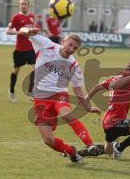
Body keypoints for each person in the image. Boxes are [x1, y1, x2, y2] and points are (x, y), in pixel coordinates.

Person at [19, 27, 101, 163]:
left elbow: (78, 89)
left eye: (75, 48)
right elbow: (22, 30)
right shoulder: (46, 45)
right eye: (70, 45)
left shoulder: (73, 65)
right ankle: (71, 152)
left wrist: (87, 107)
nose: (71, 49)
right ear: (63, 42)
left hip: (59, 94)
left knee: (67, 114)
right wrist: (27, 30)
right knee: (48, 140)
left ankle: (90, 145)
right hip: (40, 99)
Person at [78, 58, 130, 159]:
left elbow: (97, 87)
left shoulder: (119, 77)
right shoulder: (125, 77)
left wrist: (87, 99)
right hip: (115, 122)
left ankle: (75, 153)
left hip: (108, 123)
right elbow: (114, 85)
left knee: (107, 150)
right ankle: (119, 148)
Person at [6, 0, 35, 103]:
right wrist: (19, 32)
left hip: (31, 49)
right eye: (22, 4)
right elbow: (7, 31)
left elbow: (31, 31)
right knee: (16, 71)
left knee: (35, 69)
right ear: (19, 6)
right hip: (20, 50)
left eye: (25, 4)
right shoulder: (16, 17)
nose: (23, 5)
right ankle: (12, 91)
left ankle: (31, 91)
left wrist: (34, 32)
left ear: (28, 5)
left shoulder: (32, 17)